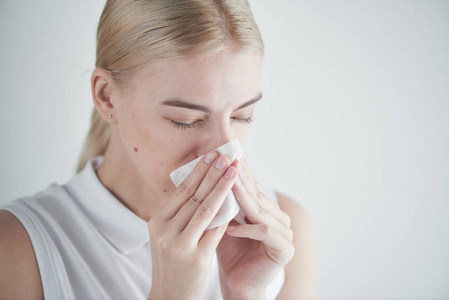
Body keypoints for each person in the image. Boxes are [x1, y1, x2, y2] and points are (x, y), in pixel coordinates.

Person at [0, 0, 316, 299]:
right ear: (107, 96)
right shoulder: (17, 249)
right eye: (186, 120)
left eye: (242, 116)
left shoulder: (283, 235)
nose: (223, 151)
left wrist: (245, 292)